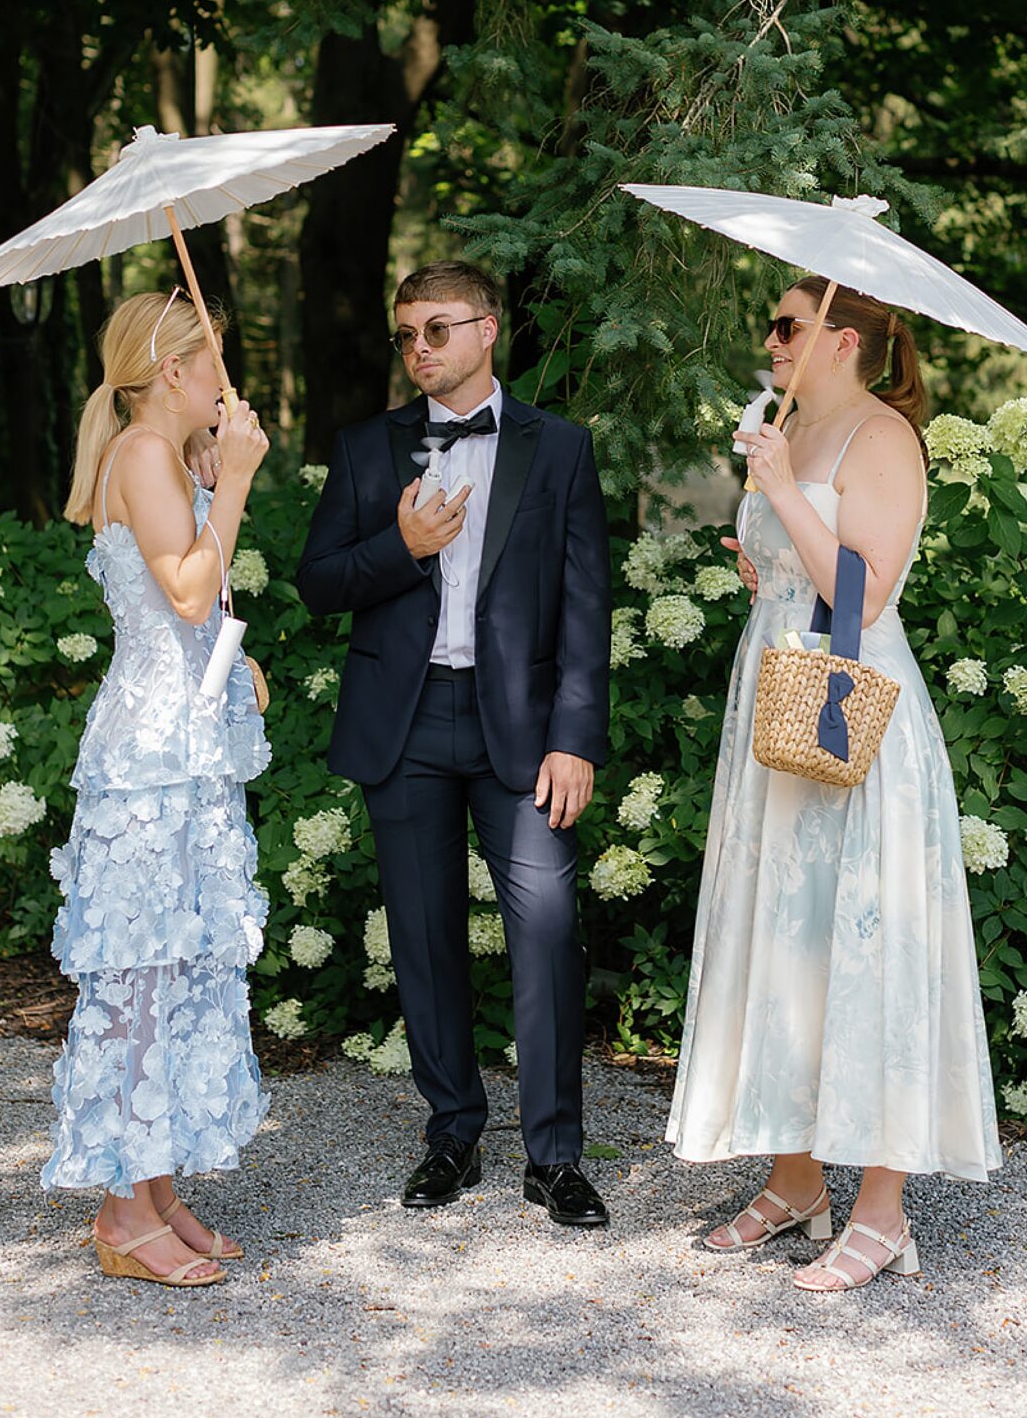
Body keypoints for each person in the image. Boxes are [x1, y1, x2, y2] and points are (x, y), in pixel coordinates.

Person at [666, 276, 1001, 1292]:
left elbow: (864, 590)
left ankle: (883, 1212)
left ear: (842, 339)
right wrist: (760, 558)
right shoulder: (792, 427)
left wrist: (775, 490)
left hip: (851, 715)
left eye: (787, 325)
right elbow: (799, 574)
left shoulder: (882, 437)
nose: (770, 341)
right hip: (776, 702)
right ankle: (795, 1178)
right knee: (784, 939)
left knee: (866, 942)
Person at [298, 262, 612, 1227]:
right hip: (406, 722)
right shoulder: (367, 447)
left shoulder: (560, 448)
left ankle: (554, 1157)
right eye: (407, 334)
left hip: (522, 728)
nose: (419, 349)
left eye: (437, 329)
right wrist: (403, 549)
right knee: (423, 936)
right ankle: (452, 1135)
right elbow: (318, 583)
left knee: (546, 933)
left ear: (487, 329)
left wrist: (575, 738)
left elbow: (586, 605)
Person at [43, 288, 271, 1287]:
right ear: (173, 369)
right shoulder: (141, 450)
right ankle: (121, 1212)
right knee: (140, 976)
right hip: (150, 760)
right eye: (213, 354)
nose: (226, 373)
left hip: (185, 744)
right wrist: (241, 482)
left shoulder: (166, 456)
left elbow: (194, 610)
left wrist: (216, 476)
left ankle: (159, 1188)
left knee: (179, 970)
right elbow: (183, 586)